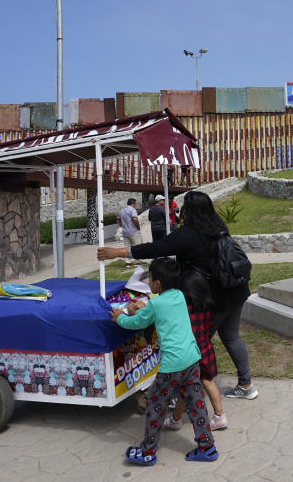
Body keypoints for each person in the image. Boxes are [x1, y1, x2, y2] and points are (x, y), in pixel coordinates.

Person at [98, 191, 256, 400]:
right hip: (236, 289)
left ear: (188, 211)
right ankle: (245, 385)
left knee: (193, 344)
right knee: (231, 337)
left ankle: (180, 394)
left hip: (214, 296)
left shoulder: (189, 233)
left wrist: (119, 252)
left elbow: (156, 248)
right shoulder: (217, 227)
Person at [110, 258, 218, 465]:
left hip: (172, 366)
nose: (148, 281)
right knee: (195, 403)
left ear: (157, 283)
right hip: (192, 359)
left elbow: (137, 323)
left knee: (155, 405)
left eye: (150, 278)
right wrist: (142, 308)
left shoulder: (156, 303)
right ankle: (207, 447)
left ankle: (148, 452)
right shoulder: (178, 295)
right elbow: (158, 312)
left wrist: (119, 318)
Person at [165, 269, 228, 432]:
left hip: (190, 354)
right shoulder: (207, 307)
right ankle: (219, 416)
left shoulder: (184, 311)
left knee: (183, 387)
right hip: (206, 349)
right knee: (208, 381)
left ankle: (176, 419)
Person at [117, 198, 142, 264]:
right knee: (138, 246)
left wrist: (122, 226)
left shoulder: (122, 210)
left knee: (127, 247)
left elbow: (118, 220)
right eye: (135, 204)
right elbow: (135, 219)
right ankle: (137, 261)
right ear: (133, 203)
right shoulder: (132, 210)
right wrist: (138, 227)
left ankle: (127, 262)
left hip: (125, 231)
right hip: (133, 231)